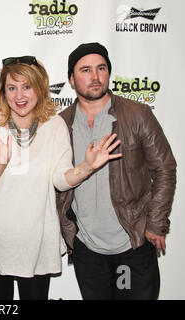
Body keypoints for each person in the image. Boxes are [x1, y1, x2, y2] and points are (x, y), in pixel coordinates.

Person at [0, 56, 122, 300]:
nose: (19, 95)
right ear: (3, 90)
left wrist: (86, 167)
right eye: (12, 87)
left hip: (38, 241)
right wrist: (1, 163)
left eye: (27, 86)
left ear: (40, 89)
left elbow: (60, 179)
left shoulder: (54, 125)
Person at [56, 42, 177, 300]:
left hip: (131, 243)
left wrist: (155, 223)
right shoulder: (61, 123)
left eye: (101, 68)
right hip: (88, 247)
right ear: (71, 79)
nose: (95, 76)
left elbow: (165, 168)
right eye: (85, 70)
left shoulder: (137, 115)